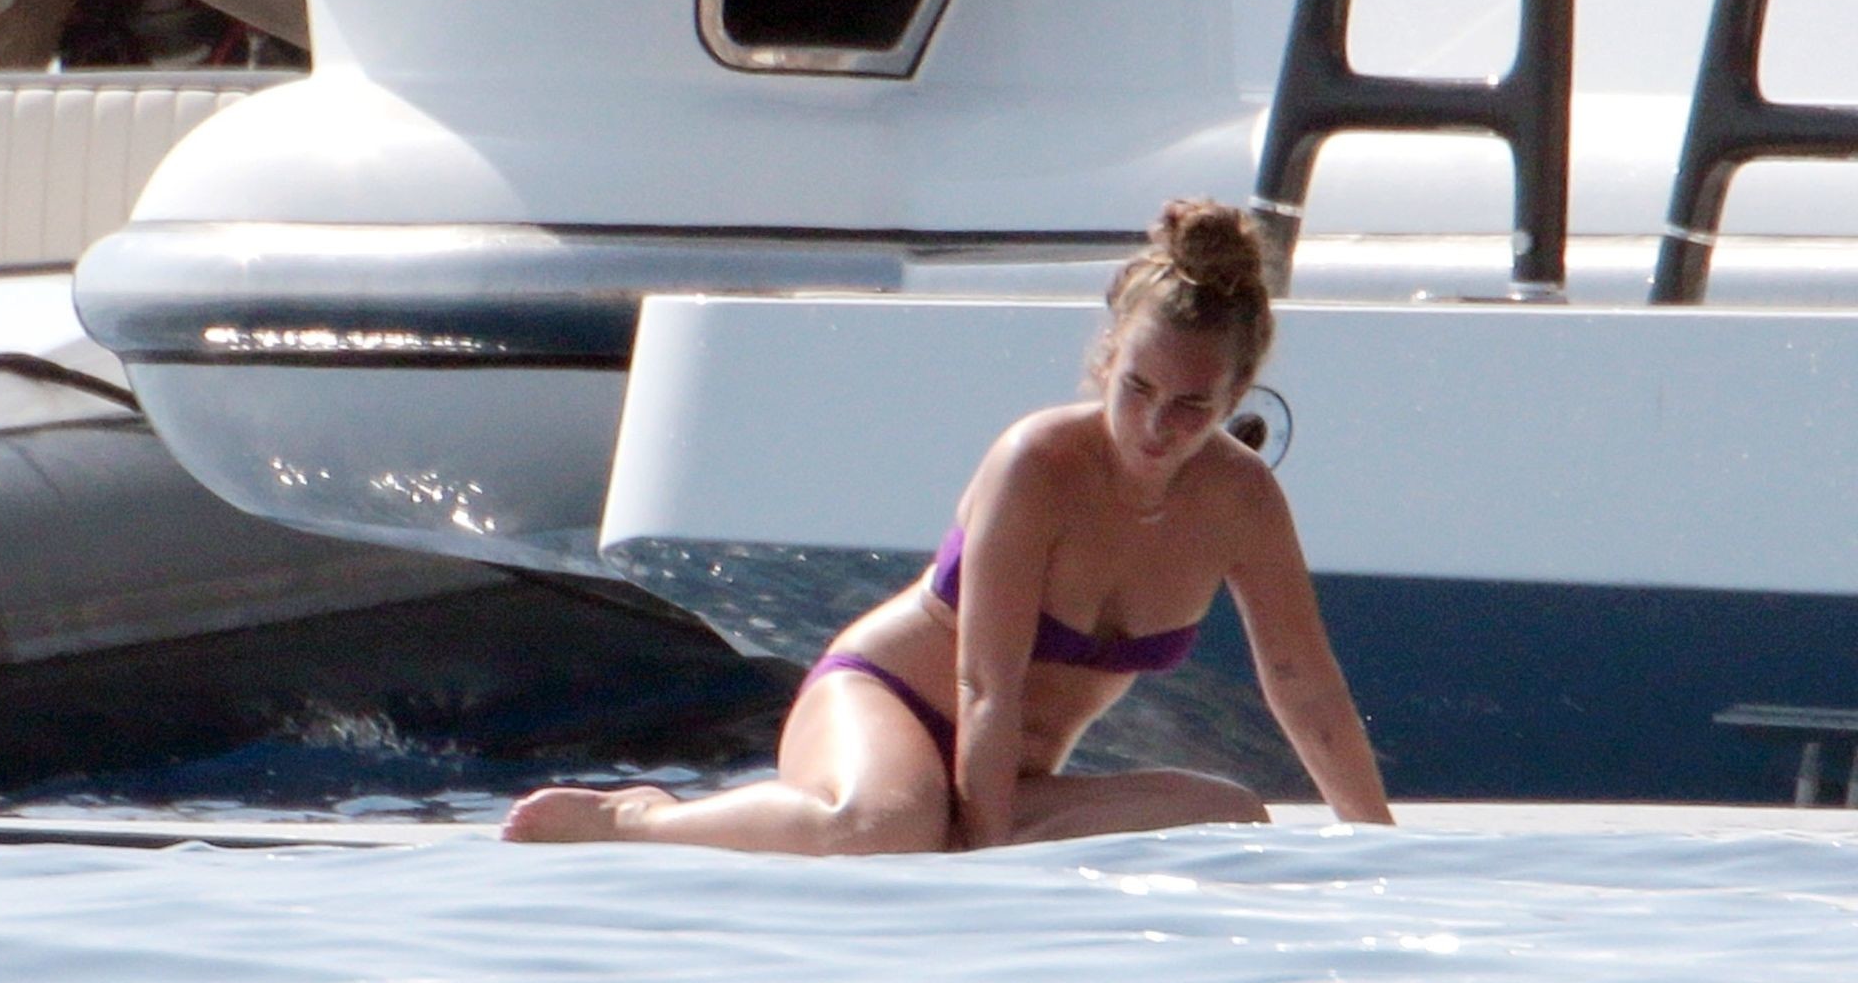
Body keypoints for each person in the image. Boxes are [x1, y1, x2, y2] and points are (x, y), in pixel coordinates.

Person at [502, 198, 1394, 851]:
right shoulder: (1037, 465)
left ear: (1236, 397)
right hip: (886, 703)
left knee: (1230, 817)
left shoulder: (1241, 501)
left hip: (1010, 774)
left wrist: (1380, 850)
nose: (1156, 427)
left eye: (1192, 405)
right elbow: (984, 687)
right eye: (1137, 389)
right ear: (1106, 361)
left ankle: (955, 827)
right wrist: (990, 863)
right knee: (886, 828)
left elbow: (1306, 689)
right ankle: (640, 819)